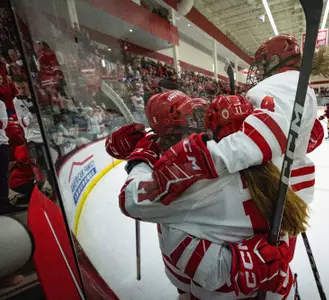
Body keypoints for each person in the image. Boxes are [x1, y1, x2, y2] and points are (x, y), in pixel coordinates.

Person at [110, 91, 303, 299]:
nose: (199, 127)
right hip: (281, 290)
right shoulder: (275, 158)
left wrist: (140, 159)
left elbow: (131, 199)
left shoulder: (193, 184)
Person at [0, 98, 26, 214]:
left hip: (1, 144)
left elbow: (2, 124)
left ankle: (4, 203)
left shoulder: (0, 104)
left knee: (2, 176)